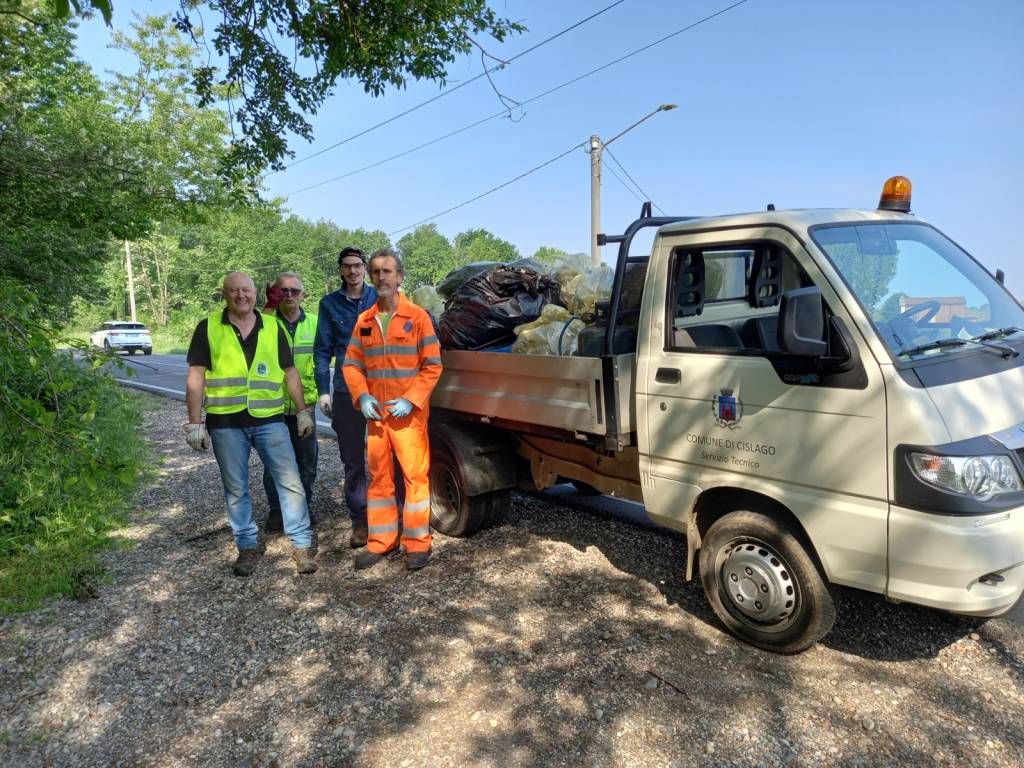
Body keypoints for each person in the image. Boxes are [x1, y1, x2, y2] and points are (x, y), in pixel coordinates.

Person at [183, 271, 318, 576]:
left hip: (270, 420)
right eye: (233, 291)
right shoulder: (208, 328)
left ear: (255, 293)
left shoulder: (272, 326)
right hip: (226, 423)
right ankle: (246, 547)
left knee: (290, 482)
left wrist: (301, 411)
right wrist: (194, 422)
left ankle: (301, 546)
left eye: (245, 290)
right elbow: (196, 376)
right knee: (236, 489)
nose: (240, 295)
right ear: (224, 294)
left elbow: (289, 371)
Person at [342, 248, 442, 571]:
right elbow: (352, 365)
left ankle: (416, 543)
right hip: (377, 419)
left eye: (387, 272)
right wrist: (362, 397)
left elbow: (432, 366)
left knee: (414, 478)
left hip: (408, 417)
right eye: (376, 272)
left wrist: (410, 399)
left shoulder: (418, 318)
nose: (381, 277)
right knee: (380, 480)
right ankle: (381, 541)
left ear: (400, 277)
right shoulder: (365, 320)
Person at [313, 246, 404, 548]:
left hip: (381, 390)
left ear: (364, 269)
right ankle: (360, 522)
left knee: (389, 456)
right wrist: (323, 391)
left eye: (357, 266)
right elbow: (323, 350)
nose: (353, 271)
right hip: (345, 391)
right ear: (340, 270)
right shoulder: (329, 305)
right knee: (352, 461)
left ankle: (395, 518)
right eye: (347, 266)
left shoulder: (377, 297)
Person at [262, 272, 319, 532]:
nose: (289, 295)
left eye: (294, 291)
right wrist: (267, 307)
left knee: (307, 460)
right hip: (272, 405)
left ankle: (301, 508)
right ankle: (277, 510)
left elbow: (325, 361)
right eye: (283, 290)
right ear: (276, 294)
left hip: (304, 407)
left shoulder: (317, 324)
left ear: (303, 295)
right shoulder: (264, 323)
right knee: (274, 462)